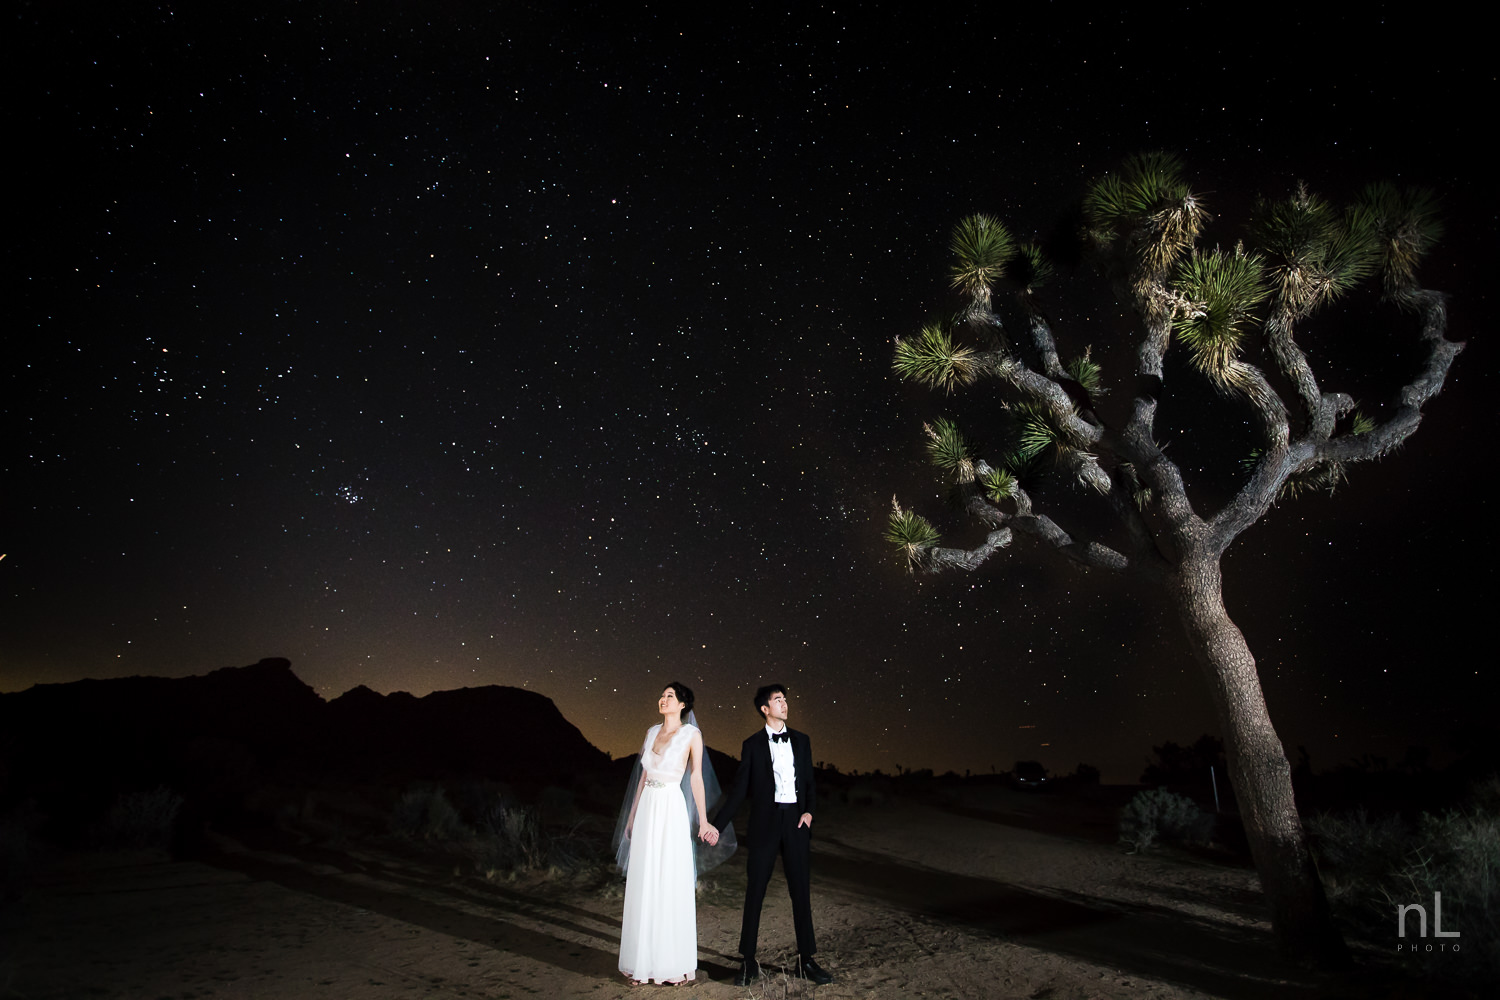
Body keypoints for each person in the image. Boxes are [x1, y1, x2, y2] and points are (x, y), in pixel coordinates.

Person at [712, 684, 833, 986]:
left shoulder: (802, 741)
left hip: (795, 821)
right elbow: (740, 790)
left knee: (800, 892)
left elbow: (809, 782)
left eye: (785, 699)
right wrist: (717, 823)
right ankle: (748, 961)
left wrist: (809, 812)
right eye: (778, 700)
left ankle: (806, 960)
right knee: (755, 891)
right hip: (765, 823)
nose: (785, 704)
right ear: (765, 709)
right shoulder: (751, 744)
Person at [612, 682, 732, 985]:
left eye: (669, 696)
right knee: (644, 880)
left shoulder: (692, 735)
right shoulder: (651, 732)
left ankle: (672, 965)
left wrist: (703, 821)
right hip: (648, 807)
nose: (662, 699)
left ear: (682, 705)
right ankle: (641, 965)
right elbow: (642, 777)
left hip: (670, 807)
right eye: (662, 694)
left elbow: (695, 778)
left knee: (668, 880)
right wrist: (632, 814)